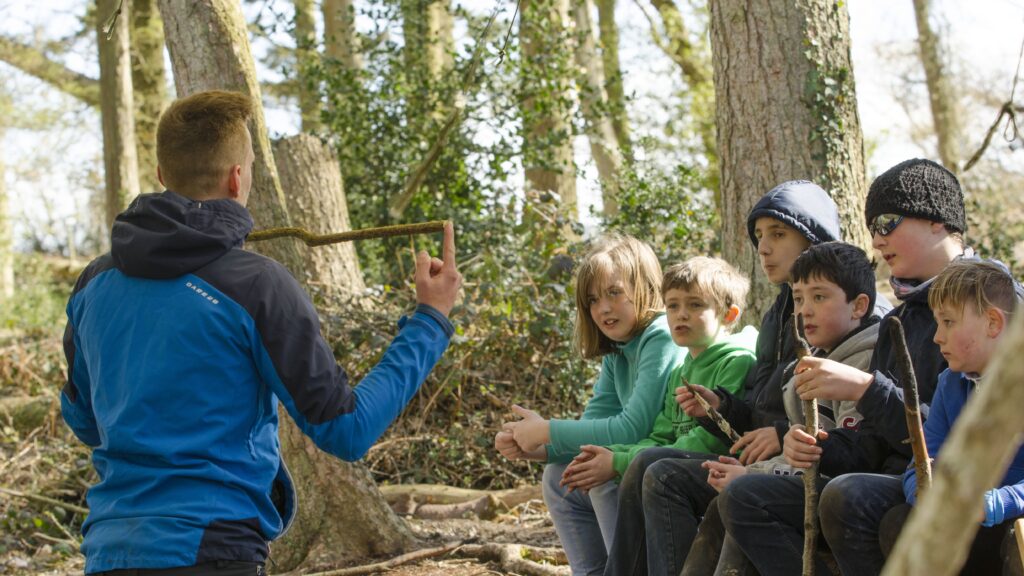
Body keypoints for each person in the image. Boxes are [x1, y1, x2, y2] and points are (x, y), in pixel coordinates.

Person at [60, 90, 463, 575]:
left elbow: (83, 419)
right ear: (237, 178)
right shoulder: (257, 285)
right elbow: (346, 429)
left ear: (163, 176)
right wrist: (430, 320)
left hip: (108, 550)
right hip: (214, 549)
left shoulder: (93, 284)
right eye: (250, 163)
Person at [720, 158, 971, 575]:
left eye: (889, 222)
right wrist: (811, 444)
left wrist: (865, 389)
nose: (877, 240)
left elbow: (965, 435)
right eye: (873, 227)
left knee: (849, 497)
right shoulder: (902, 320)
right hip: (900, 477)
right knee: (743, 496)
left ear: (938, 222)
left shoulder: (988, 300)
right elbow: (873, 443)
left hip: (970, 487)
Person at [604, 180, 843, 576]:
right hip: (757, 456)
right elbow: (755, 409)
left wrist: (781, 432)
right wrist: (719, 407)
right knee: (648, 462)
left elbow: (833, 415)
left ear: (812, 237)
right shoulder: (776, 316)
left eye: (778, 235)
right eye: (760, 236)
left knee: (660, 470)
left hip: (789, 467)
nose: (763, 248)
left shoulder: (835, 312)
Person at [682, 241, 880, 575]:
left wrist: (754, 475)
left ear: (859, 306)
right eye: (799, 298)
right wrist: (753, 468)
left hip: (845, 494)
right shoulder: (813, 358)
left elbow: (843, 457)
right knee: (725, 501)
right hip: (806, 481)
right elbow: (797, 445)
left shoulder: (864, 360)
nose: (804, 310)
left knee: (743, 496)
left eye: (819, 297)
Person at [494, 234, 682, 576]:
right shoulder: (618, 350)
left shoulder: (661, 335)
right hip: (636, 460)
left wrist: (546, 430)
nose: (604, 308)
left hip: (670, 466)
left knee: (600, 476)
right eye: (593, 300)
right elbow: (595, 424)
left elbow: (632, 428)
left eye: (614, 293)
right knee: (560, 478)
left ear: (644, 287)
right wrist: (533, 448)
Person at [558, 256, 757, 493]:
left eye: (694, 305)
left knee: (620, 477)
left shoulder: (737, 361)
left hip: (718, 471)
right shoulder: (679, 372)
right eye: (672, 305)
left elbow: (710, 441)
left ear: (729, 315)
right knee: (589, 475)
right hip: (676, 463)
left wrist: (620, 462)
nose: (681, 314)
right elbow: (662, 436)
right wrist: (614, 453)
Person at [878, 259, 1024, 575]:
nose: (936, 337)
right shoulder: (951, 383)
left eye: (948, 322)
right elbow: (925, 457)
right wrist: (924, 490)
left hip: (1012, 517)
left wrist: (998, 503)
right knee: (899, 522)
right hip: (966, 518)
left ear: (993, 323)